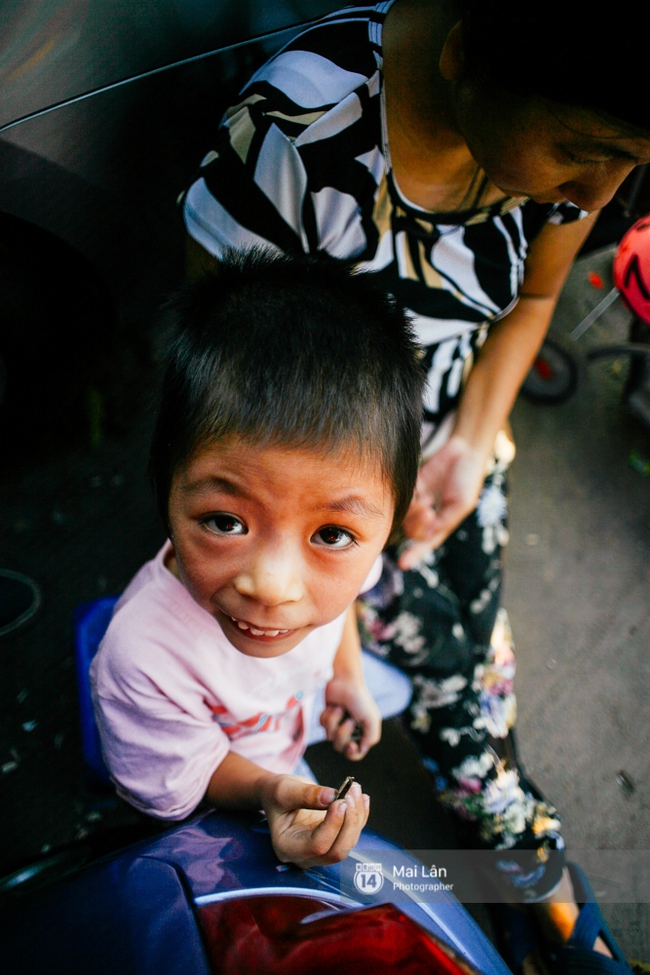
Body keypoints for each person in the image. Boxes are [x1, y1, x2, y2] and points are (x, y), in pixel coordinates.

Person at [180, 0, 650, 969]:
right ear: (468, 48)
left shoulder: (566, 158)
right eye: (582, 149)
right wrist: (338, 605)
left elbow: (529, 299)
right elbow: (238, 442)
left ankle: (507, 839)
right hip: (308, 505)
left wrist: (472, 439)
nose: (603, 190)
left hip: (443, 449)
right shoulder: (293, 142)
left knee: (471, 693)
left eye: (630, 161)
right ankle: (515, 864)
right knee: (360, 712)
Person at [91, 249, 423, 869]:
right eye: (226, 522)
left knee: (386, 688)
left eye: (330, 534)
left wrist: (345, 673)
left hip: (300, 701)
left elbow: (344, 606)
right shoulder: (140, 661)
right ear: (165, 488)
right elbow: (189, 773)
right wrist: (270, 791)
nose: (272, 586)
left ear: (388, 522)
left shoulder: (351, 561)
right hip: (241, 763)